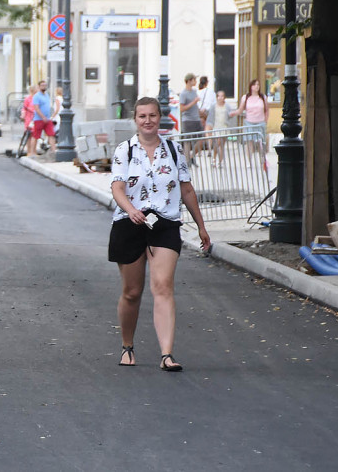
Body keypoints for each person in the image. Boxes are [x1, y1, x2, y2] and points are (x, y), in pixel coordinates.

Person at [109, 97, 211, 371]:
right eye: (142, 116)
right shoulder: (124, 151)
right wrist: (131, 210)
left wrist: (201, 226)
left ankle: (167, 354)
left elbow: (186, 190)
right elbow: (117, 188)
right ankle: (127, 346)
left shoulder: (174, 150)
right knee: (132, 292)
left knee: (163, 285)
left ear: (160, 117)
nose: (148, 120)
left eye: (152, 115)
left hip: (165, 223)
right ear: (136, 119)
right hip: (130, 223)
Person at [229, 79, 268, 160]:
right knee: (249, 142)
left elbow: (266, 110)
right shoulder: (246, 97)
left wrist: (266, 120)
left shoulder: (263, 97)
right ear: (251, 87)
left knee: (260, 142)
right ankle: (249, 160)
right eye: (254, 85)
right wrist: (233, 113)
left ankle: (262, 158)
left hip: (260, 122)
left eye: (258, 85)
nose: (256, 86)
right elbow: (240, 109)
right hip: (249, 122)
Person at [27, 80, 56, 157]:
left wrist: (49, 116)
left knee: (51, 134)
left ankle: (54, 151)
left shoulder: (47, 95)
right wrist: (42, 116)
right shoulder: (36, 96)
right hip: (39, 119)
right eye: (42, 85)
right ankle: (33, 152)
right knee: (36, 135)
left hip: (48, 119)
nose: (44, 87)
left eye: (45, 85)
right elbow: (36, 108)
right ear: (39, 86)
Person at [210, 90, 236, 167]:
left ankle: (220, 161)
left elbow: (229, 115)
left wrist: (231, 115)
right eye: (219, 96)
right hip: (216, 127)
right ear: (217, 97)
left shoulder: (227, 106)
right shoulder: (213, 106)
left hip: (224, 127)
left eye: (222, 96)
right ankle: (214, 159)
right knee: (217, 143)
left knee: (222, 144)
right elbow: (211, 116)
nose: (220, 98)